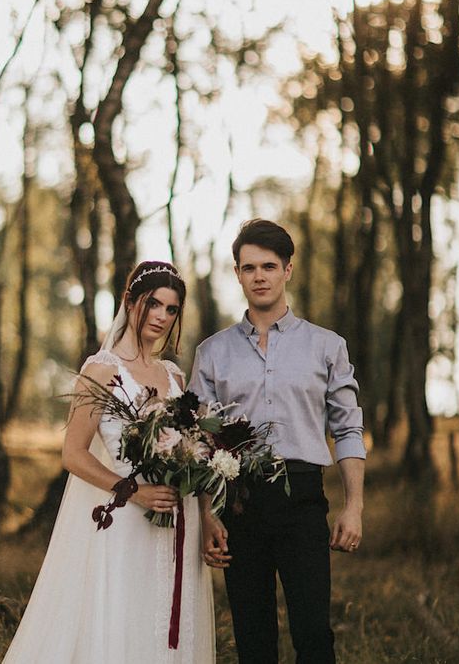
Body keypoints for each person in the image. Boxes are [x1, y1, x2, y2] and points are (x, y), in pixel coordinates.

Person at [3, 261, 215, 664]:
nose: (161, 317)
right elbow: (73, 454)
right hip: (127, 520)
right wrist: (135, 491)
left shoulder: (173, 376)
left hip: (174, 520)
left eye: (172, 309)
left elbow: (190, 446)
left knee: (166, 622)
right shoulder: (101, 370)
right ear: (130, 302)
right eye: (153, 304)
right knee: (125, 619)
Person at [189, 220, 366, 664]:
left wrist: (354, 506)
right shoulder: (212, 353)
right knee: (253, 637)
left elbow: (346, 429)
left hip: (302, 498)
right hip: (240, 503)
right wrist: (209, 515)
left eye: (269, 266)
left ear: (288, 269)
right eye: (249, 268)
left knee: (312, 634)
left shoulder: (327, 347)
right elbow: (199, 443)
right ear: (237, 273)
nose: (260, 276)